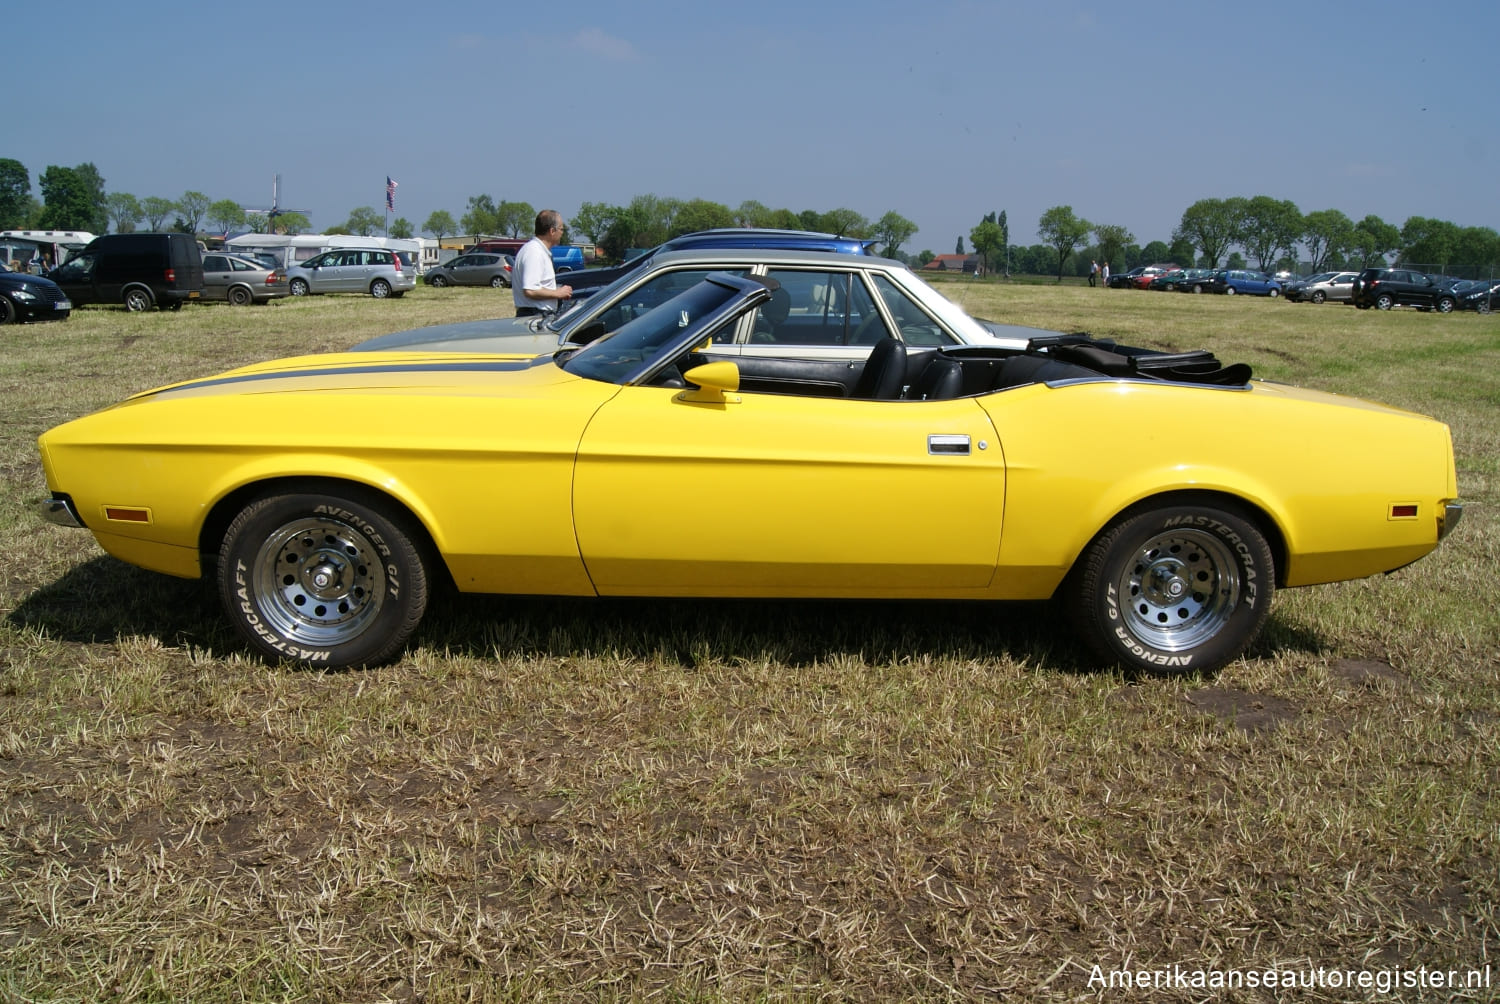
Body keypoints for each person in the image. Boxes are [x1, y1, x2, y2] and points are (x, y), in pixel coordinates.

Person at [511, 209, 573, 317]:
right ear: (552, 231)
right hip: (534, 315)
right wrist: (558, 293)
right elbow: (530, 290)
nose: (562, 233)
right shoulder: (534, 252)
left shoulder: (536, 250)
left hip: (536, 313)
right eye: (561, 229)